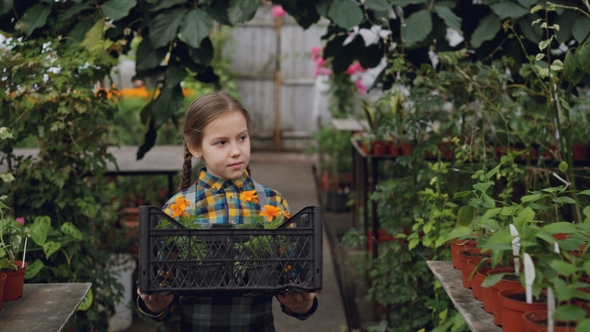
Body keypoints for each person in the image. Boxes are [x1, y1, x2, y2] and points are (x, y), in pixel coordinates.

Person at [136, 91, 318, 331]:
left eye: (242, 138)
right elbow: (160, 290)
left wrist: (302, 305)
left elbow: (294, 281)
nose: (236, 151)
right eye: (221, 142)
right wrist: (154, 304)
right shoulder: (178, 209)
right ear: (195, 147)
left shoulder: (272, 205)